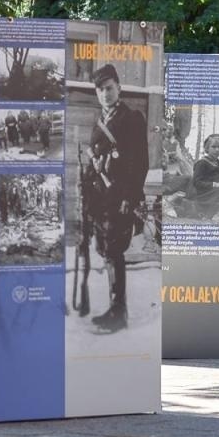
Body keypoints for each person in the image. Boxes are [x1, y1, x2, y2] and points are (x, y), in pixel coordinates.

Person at [81, 65, 148, 332]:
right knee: (103, 249)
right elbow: (93, 162)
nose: (105, 93)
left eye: (109, 87)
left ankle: (118, 312)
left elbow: (140, 162)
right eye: (100, 89)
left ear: (119, 88)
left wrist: (130, 199)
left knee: (113, 251)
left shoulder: (132, 118)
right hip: (99, 197)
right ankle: (115, 308)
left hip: (119, 196)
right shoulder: (98, 121)